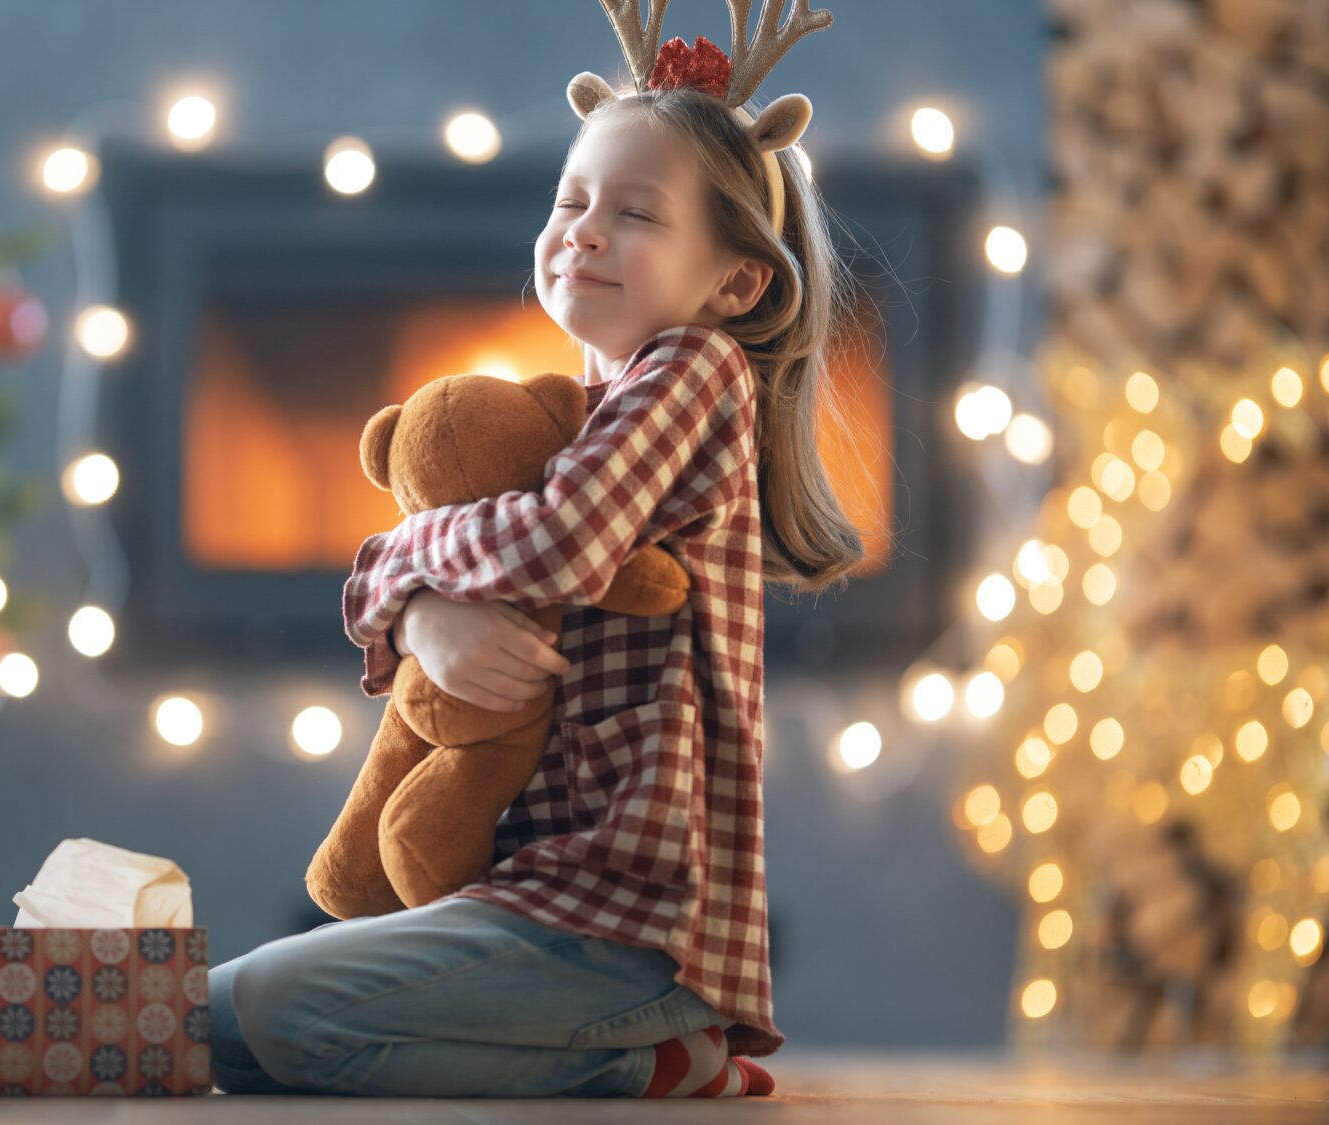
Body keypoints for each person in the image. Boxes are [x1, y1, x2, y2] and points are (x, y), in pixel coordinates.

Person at [210, 0, 866, 1099]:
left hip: (631, 926)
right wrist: (419, 609)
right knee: (208, 1017)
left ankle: (651, 1058)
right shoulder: (579, 411)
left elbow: (559, 544)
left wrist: (401, 566)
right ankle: (616, 1057)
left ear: (734, 281)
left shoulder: (692, 372)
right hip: (529, 897)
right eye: (570, 201)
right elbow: (490, 552)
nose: (584, 230)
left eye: (637, 214)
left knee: (270, 1014)